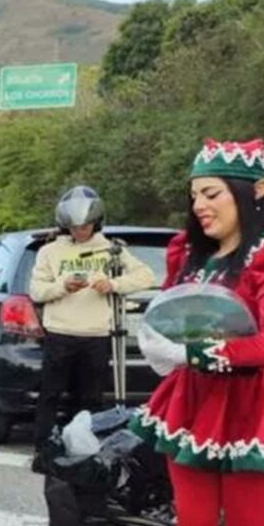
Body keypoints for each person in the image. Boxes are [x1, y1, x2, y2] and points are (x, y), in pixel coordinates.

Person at [131, 138, 264, 526]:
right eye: (194, 195)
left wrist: (197, 353)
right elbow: (173, 315)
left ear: (253, 192)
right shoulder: (190, 255)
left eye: (212, 193)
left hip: (253, 406)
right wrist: (160, 341)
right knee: (191, 519)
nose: (200, 206)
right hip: (194, 401)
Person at [29, 185, 154, 461]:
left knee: (90, 398)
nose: (80, 232)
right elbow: (37, 291)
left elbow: (145, 276)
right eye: (74, 227)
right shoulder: (49, 252)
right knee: (50, 394)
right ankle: (43, 448)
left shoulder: (110, 249)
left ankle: (84, 450)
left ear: (95, 223)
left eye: (85, 226)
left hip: (96, 334)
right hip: (60, 332)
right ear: (65, 226)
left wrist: (112, 284)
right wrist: (63, 286)